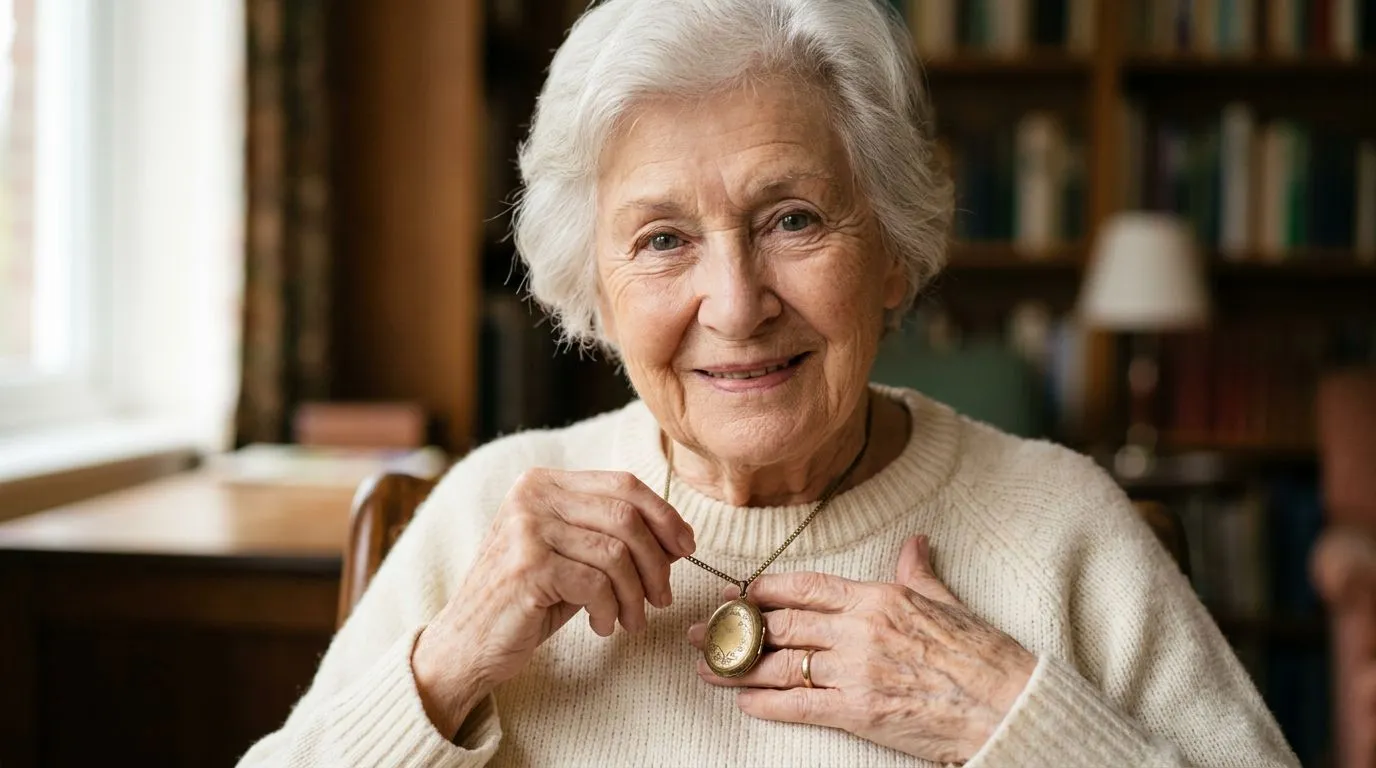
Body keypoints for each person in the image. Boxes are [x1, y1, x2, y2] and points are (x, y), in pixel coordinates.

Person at [240, 0, 1298, 765]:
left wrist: (1007, 718)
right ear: (592, 293)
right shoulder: (491, 511)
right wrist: (450, 665)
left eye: (791, 219)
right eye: (660, 240)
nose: (736, 303)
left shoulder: (1059, 528)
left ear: (891, 249)